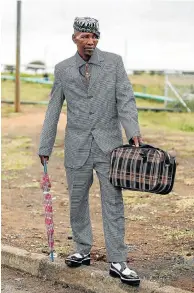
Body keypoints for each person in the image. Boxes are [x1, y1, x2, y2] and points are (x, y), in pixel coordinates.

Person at [39, 16, 142, 286]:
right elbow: (53, 108)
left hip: (110, 148)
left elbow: (126, 99)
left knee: (113, 202)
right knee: (77, 201)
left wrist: (133, 132)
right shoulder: (62, 69)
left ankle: (118, 261)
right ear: (74, 37)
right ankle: (82, 250)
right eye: (85, 37)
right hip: (76, 147)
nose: (91, 41)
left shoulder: (114, 63)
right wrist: (45, 145)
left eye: (95, 37)